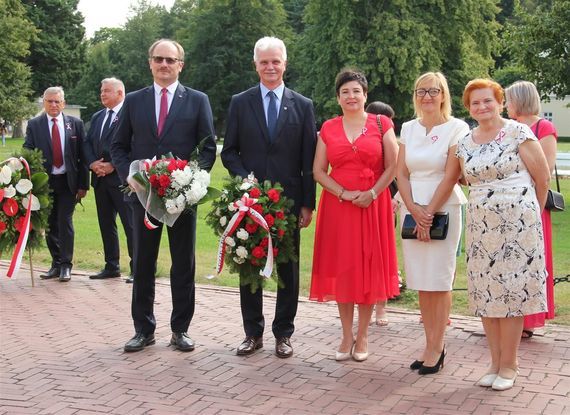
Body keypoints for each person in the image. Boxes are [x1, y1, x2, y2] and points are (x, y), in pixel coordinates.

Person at [111, 39, 217, 353]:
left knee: (183, 264)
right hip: (142, 199)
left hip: (181, 201)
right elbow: (118, 146)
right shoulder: (133, 100)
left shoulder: (197, 101)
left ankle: (180, 330)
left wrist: (189, 184)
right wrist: (129, 177)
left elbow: (208, 148)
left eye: (171, 60)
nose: (164, 65)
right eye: (159, 59)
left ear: (180, 65)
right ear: (150, 63)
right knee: (142, 263)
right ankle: (143, 330)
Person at [221, 36, 317, 358]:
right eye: (264, 62)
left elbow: (308, 159)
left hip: (288, 204)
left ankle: (283, 334)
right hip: (251, 202)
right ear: (256, 65)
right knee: (250, 268)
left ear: (285, 64)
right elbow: (229, 151)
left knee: (288, 270)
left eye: (276, 61)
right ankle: (252, 333)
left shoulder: (302, 106)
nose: (270, 67)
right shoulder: (240, 102)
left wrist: (307, 203)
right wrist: (246, 182)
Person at [457, 79, 550, 390]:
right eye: (475, 103)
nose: (482, 107)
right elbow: (464, 180)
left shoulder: (517, 132)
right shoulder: (465, 142)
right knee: (486, 293)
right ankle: (494, 362)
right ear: (468, 107)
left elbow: (542, 176)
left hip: (517, 224)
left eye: (487, 101)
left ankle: (510, 364)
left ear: (499, 102)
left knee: (510, 293)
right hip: (481, 225)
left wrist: (530, 216)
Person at [310, 69, 399, 362]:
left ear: (365, 95)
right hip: (339, 206)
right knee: (345, 269)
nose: (351, 96)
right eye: (345, 92)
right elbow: (319, 171)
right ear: (338, 98)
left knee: (369, 269)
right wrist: (343, 194)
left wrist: (372, 193)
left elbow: (393, 165)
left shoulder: (381, 123)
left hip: (373, 204)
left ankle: (363, 336)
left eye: (356, 91)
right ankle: (346, 334)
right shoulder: (328, 127)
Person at [395, 72, 468, 375]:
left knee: (439, 280)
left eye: (433, 91)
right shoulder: (408, 128)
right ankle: (428, 344)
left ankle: (438, 347)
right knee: (422, 282)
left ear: (443, 95)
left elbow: (451, 174)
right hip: (411, 206)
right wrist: (413, 208)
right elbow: (401, 173)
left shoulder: (457, 128)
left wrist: (429, 213)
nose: (427, 97)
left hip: (445, 206)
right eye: (421, 91)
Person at [505, 80, 558, 338]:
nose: (505, 105)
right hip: (507, 204)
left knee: (532, 262)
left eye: (508, 100)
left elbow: (544, 170)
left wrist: (535, 208)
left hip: (533, 204)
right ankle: (511, 316)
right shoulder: (507, 127)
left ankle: (528, 320)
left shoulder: (543, 127)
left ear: (519, 100)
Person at [23, 86, 89, 282]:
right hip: (44, 183)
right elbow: (28, 148)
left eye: (57, 101)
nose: (53, 105)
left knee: (64, 221)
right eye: (49, 101)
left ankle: (66, 265)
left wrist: (83, 185)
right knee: (50, 224)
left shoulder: (75, 124)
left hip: (68, 182)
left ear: (64, 103)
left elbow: (83, 157)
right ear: (44, 102)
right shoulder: (34, 124)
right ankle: (56, 263)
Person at [85, 78, 134, 283]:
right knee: (106, 224)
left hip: (121, 180)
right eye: (101, 91)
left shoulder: (130, 114)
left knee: (130, 225)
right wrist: (92, 164)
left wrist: (113, 165)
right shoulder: (98, 116)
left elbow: (133, 144)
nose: (102, 94)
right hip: (100, 180)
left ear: (120, 93)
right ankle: (111, 266)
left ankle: (137, 268)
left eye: (107, 91)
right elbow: (87, 144)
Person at [365, 101, 397, 327]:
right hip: (363, 196)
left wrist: (398, 199)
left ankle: (381, 306)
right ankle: (364, 303)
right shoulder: (366, 133)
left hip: (385, 198)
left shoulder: (392, 136)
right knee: (363, 255)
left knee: (381, 252)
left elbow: (400, 169)